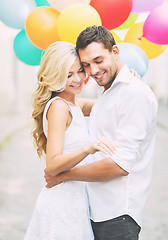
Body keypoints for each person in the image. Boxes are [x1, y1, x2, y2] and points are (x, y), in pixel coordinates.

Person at [44, 26, 158, 240]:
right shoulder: (107, 90)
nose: (93, 71)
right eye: (86, 65)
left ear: (115, 52)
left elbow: (120, 165)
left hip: (117, 215)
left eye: (98, 60)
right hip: (95, 210)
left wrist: (62, 175)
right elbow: (77, 106)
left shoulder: (134, 93)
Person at [24, 41, 116, 240]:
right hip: (62, 204)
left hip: (76, 201)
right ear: (56, 76)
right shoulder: (59, 107)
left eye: (80, 71)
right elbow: (53, 164)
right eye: (68, 75)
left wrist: (125, 81)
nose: (77, 79)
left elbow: (109, 104)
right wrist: (88, 149)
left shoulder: (74, 103)